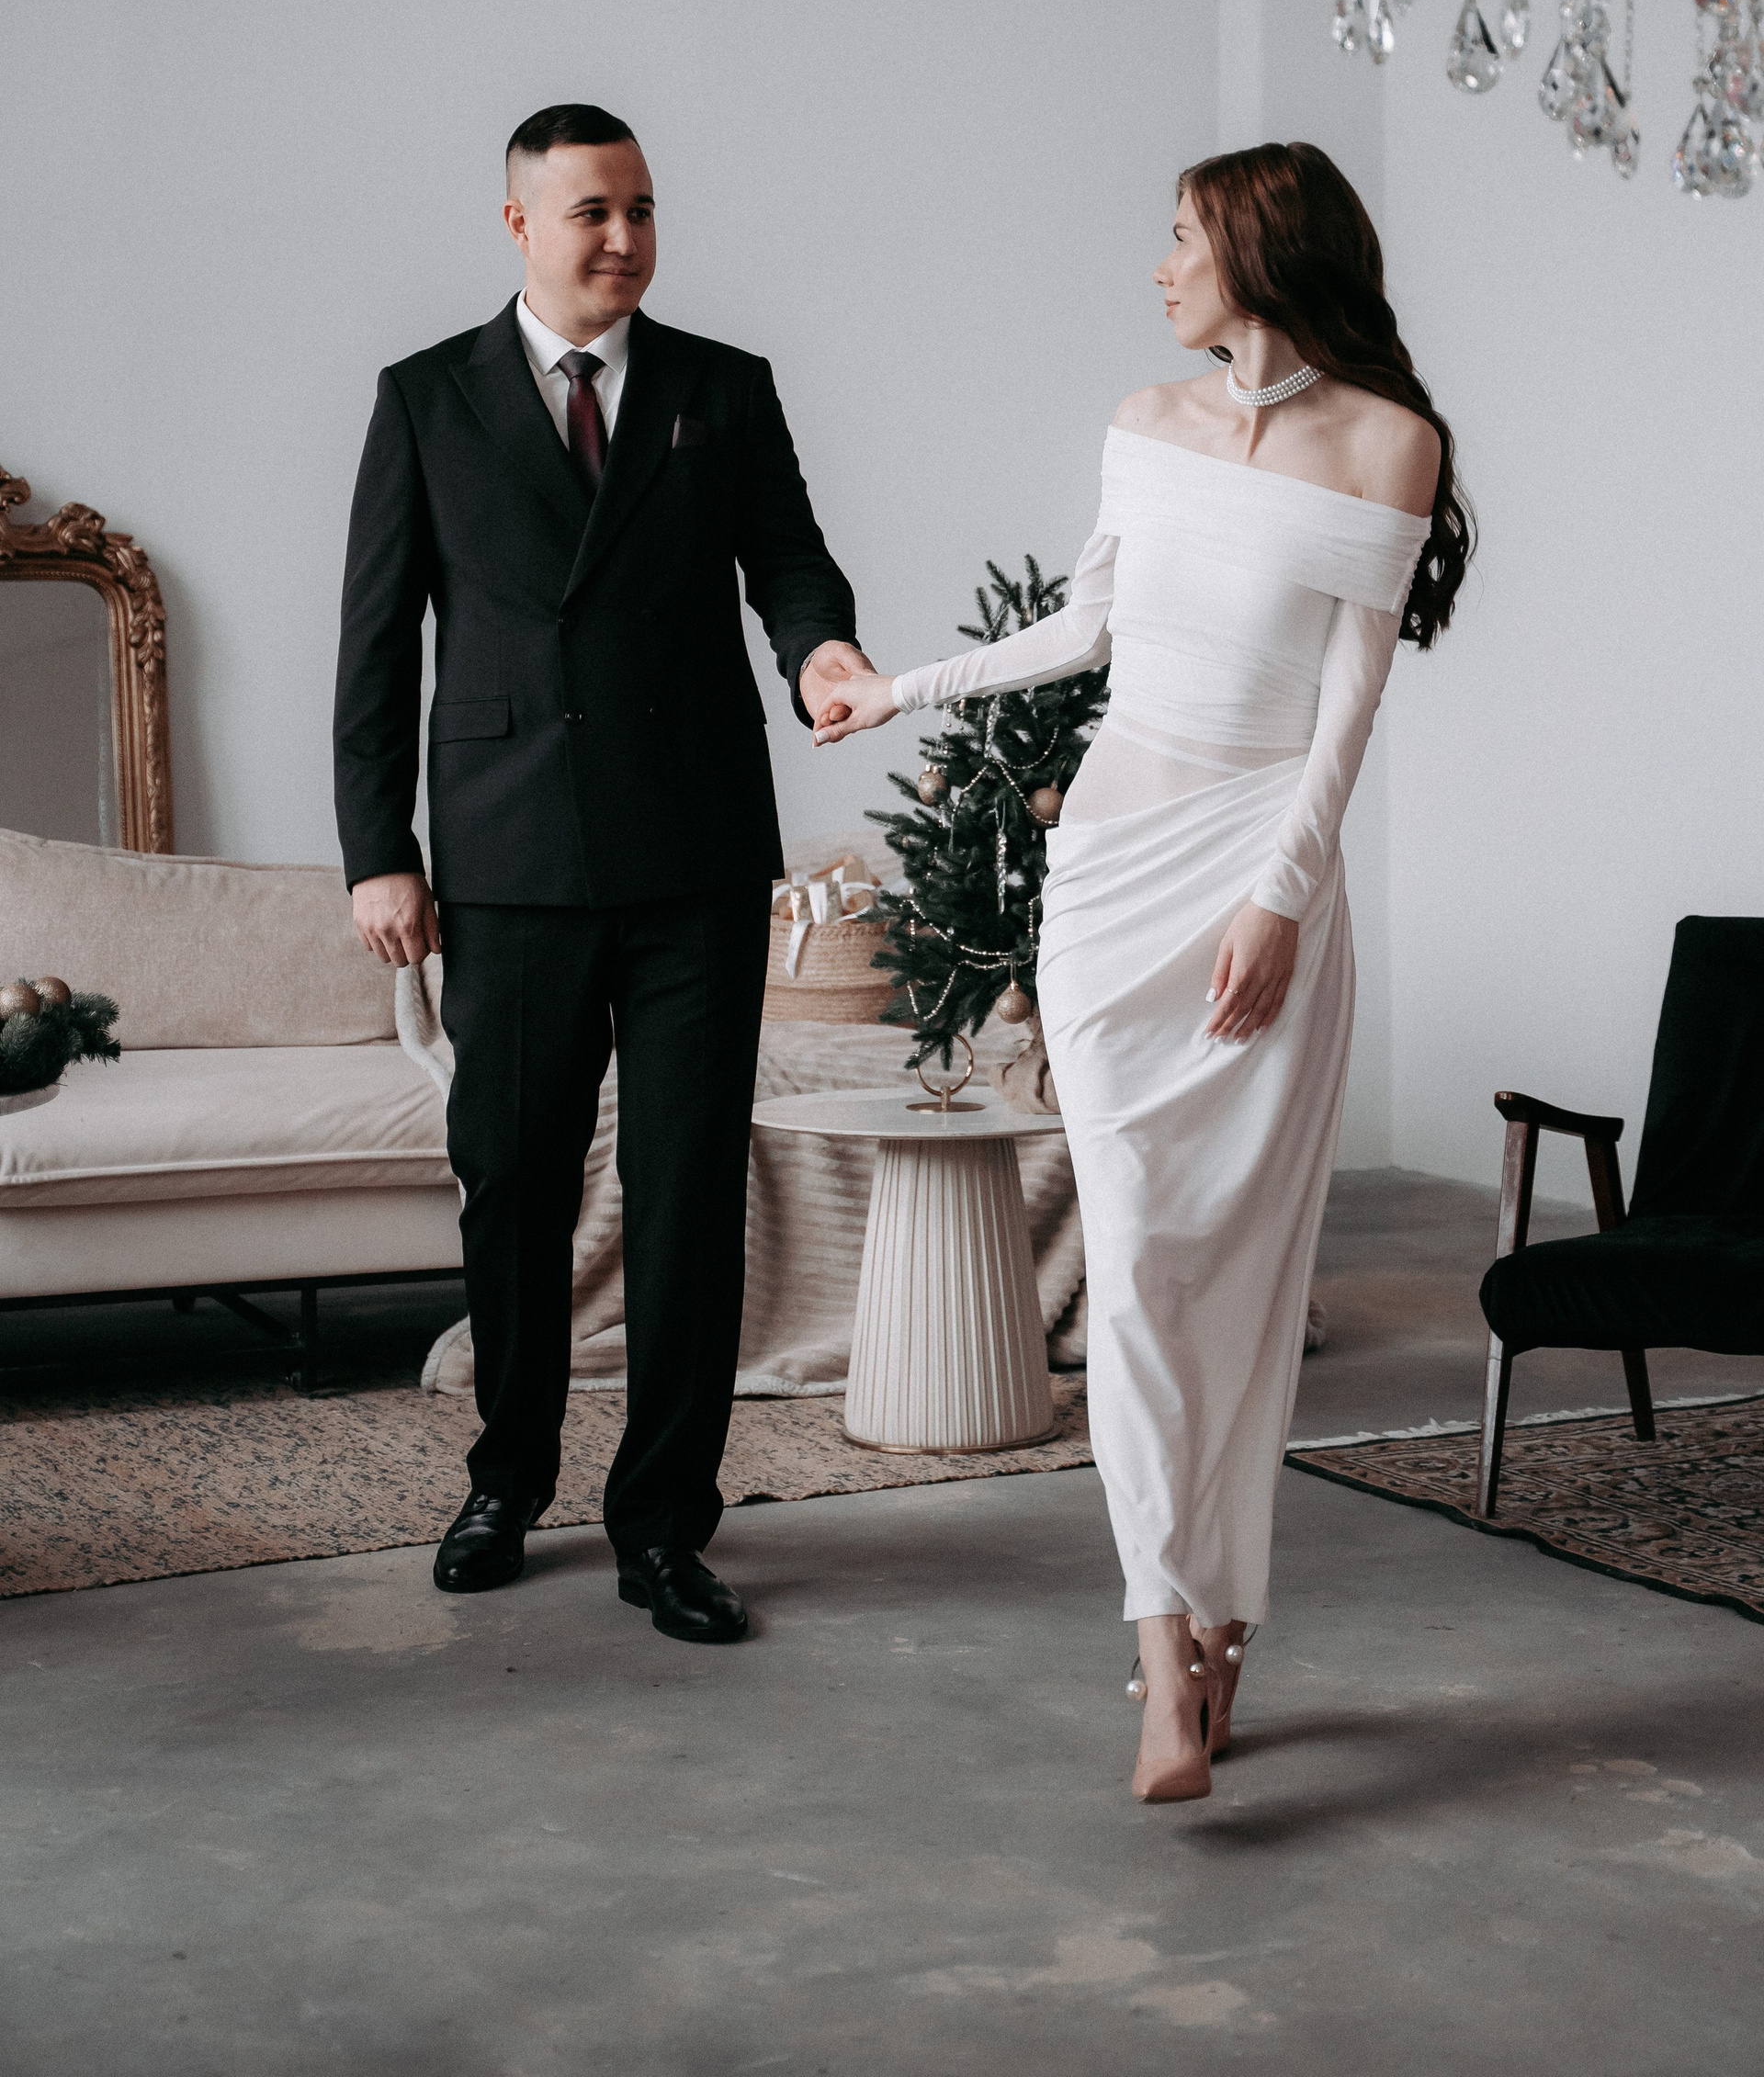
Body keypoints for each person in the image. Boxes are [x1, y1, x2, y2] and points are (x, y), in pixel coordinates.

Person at [817, 141, 1471, 1797]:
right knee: (1131, 1276)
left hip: (1258, 883)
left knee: (1239, 1275)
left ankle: (1224, 1622)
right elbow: (1085, 632)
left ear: (1258, 248)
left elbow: (1348, 711)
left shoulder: (1388, 443)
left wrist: (1281, 897)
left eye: (1180, 237)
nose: (1160, 266)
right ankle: (1164, 1653)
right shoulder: (1145, 421)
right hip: (1109, 887)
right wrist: (902, 690)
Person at [334, 103, 870, 1641]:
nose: (625, 239)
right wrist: (381, 854)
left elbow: (789, 557)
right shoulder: (426, 396)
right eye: (592, 213)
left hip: (693, 847)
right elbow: (377, 643)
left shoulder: (721, 385)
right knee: (512, 1186)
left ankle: (665, 1526)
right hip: (507, 857)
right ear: (520, 223)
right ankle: (505, 1480)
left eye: (641, 210)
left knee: (690, 1195)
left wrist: (822, 649)